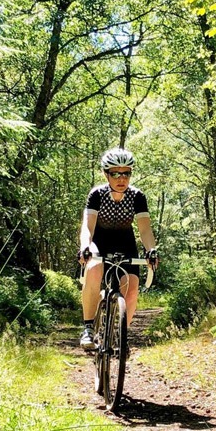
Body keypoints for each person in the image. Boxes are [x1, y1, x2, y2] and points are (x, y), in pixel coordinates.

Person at [78, 147, 158, 349]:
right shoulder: (97, 194)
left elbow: (145, 230)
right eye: (115, 173)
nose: (121, 178)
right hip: (100, 240)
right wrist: (85, 247)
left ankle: (121, 336)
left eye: (126, 173)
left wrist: (151, 250)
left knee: (131, 288)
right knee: (94, 268)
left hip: (125, 241)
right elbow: (88, 226)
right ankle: (88, 328)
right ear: (106, 174)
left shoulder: (137, 196)